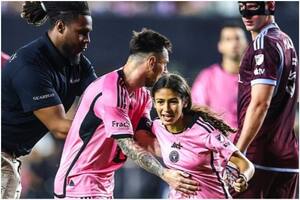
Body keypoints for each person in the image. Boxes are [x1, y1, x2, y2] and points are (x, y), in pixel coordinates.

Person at [54, 28, 199, 199]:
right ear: (152, 62)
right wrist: (164, 174)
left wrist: (188, 156)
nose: (166, 71)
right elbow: (127, 145)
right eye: (164, 64)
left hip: (103, 184)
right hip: (79, 183)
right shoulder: (110, 91)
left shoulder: (143, 95)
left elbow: (144, 138)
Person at [1, 2, 97, 199]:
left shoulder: (79, 63)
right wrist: (114, 128)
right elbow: (60, 127)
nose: (87, 39)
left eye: (88, 33)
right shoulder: (30, 64)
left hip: (9, 157)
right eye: (81, 32)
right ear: (60, 27)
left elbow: (103, 99)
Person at [149, 73, 254, 198]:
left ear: (185, 102)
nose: (166, 108)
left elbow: (246, 164)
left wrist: (242, 178)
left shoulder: (205, 132)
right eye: (160, 102)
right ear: (154, 103)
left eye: (173, 102)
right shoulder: (157, 126)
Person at [234, 1, 299, 198]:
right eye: (242, 5)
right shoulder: (286, 41)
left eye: (252, 6)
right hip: (287, 156)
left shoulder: (264, 44)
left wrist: (238, 152)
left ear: (270, 5)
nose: (246, 13)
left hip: (258, 156)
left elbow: (261, 103)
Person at [191, 23, 248, 142]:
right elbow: (195, 117)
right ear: (220, 46)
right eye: (228, 39)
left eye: (237, 38)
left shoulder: (258, 79)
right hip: (219, 152)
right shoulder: (206, 78)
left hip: (254, 151)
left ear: (246, 44)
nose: (234, 43)